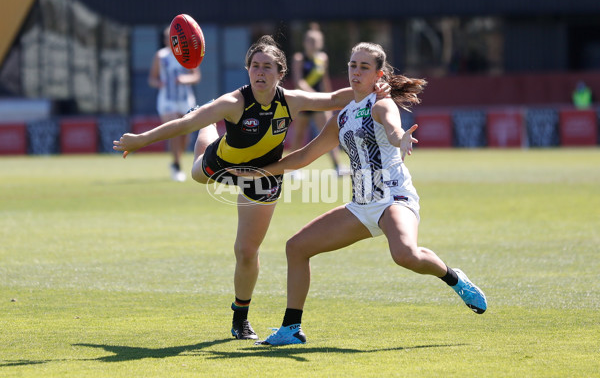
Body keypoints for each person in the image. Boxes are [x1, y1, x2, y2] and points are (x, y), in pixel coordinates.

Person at [113, 36, 389, 341]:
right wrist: (141, 140)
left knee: (246, 251)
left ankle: (240, 318)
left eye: (267, 67)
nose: (260, 72)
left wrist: (379, 87)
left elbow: (335, 98)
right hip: (222, 164)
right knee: (197, 170)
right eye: (255, 66)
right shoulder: (233, 102)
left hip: (264, 176)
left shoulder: (290, 100)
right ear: (248, 70)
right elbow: (182, 125)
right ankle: (210, 127)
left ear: (279, 73)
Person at [234, 42, 487, 346]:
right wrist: (262, 171)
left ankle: (454, 278)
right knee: (296, 248)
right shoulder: (343, 116)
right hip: (361, 206)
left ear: (378, 74)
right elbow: (304, 156)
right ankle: (291, 328)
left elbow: (393, 129)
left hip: (393, 199)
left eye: (364, 67)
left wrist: (401, 138)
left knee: (405, 255)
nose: (355, 72)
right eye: (353, 65)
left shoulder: (382, 104)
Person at [289, 23, 346, 178]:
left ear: (320, 43)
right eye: (309, 41)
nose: (312, 44)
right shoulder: (299, 58)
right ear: (304, 43)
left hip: (320, 103)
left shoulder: (322, 58)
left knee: (329, 133)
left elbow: (324, 80)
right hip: (304, 101)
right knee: (299, 135)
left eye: (315, 41)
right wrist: (313, 94)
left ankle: (337, 167)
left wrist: (331, 98)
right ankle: (292, 170)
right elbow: (299, 81)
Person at [148, 26, 201, 182]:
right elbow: (152, 78)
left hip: (185, 100)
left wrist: (184, 80)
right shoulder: (161, 56)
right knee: (175, 130)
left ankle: (175, 161)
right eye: (167, 38)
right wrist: (159, 83)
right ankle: (177, 165)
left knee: (185, 135)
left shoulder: (188, 54)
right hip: (167, 100)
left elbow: (196, 76)